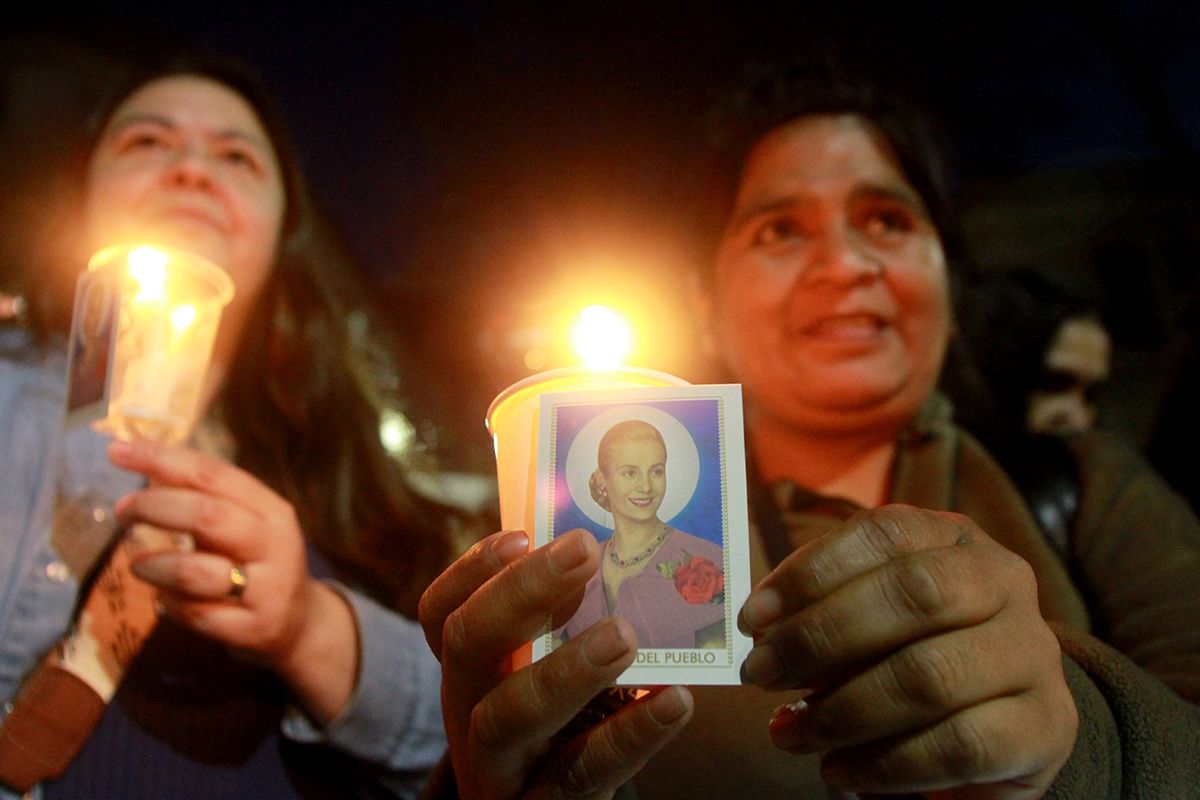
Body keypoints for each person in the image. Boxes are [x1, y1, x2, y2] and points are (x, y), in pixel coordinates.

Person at [416, 62, 1200, 799]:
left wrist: (1080, 741)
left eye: (886, 219)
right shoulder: (571, 550)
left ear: (945, 277)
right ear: (705, 302)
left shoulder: (1086, 485)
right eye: (780, 231)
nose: (844, 262)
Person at [0, 43, 455, 798]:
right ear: (82, 196)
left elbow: (476, 745)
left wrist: (309, 628)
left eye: (237, 157)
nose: (190, 168)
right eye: (146, 142)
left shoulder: (353, 480)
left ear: (283, 232)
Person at [560, 419, 724, 650]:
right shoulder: (580, 567)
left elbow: (717, 666)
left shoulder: (708, 561)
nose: (646, 486)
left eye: (656, 471)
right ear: (603, 480)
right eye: (630, 473)